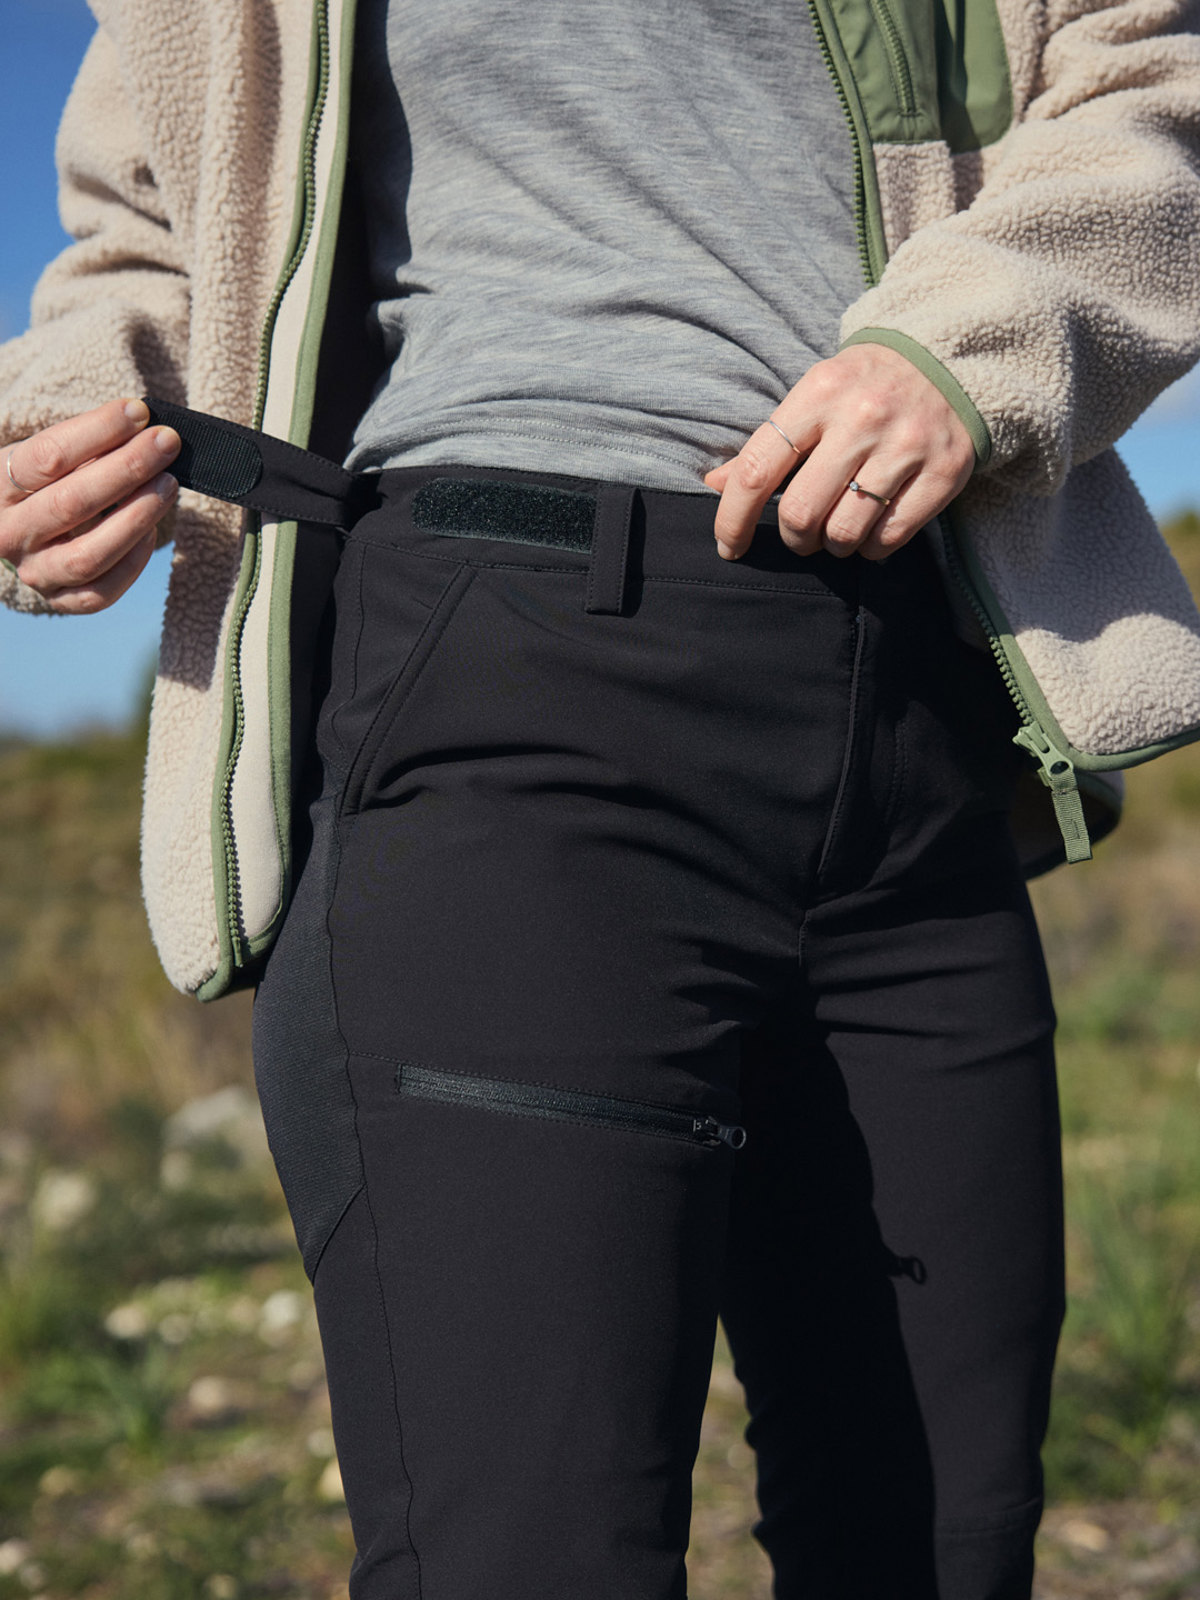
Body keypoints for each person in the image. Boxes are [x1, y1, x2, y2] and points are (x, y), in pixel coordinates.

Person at [3, 1, 1200, 1595]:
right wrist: (66, 412)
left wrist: (970, 346)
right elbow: (155, 217)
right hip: (508, 685)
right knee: (527, 1557)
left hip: (919, 712)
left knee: (943, 1550)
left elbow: (1156, 78)